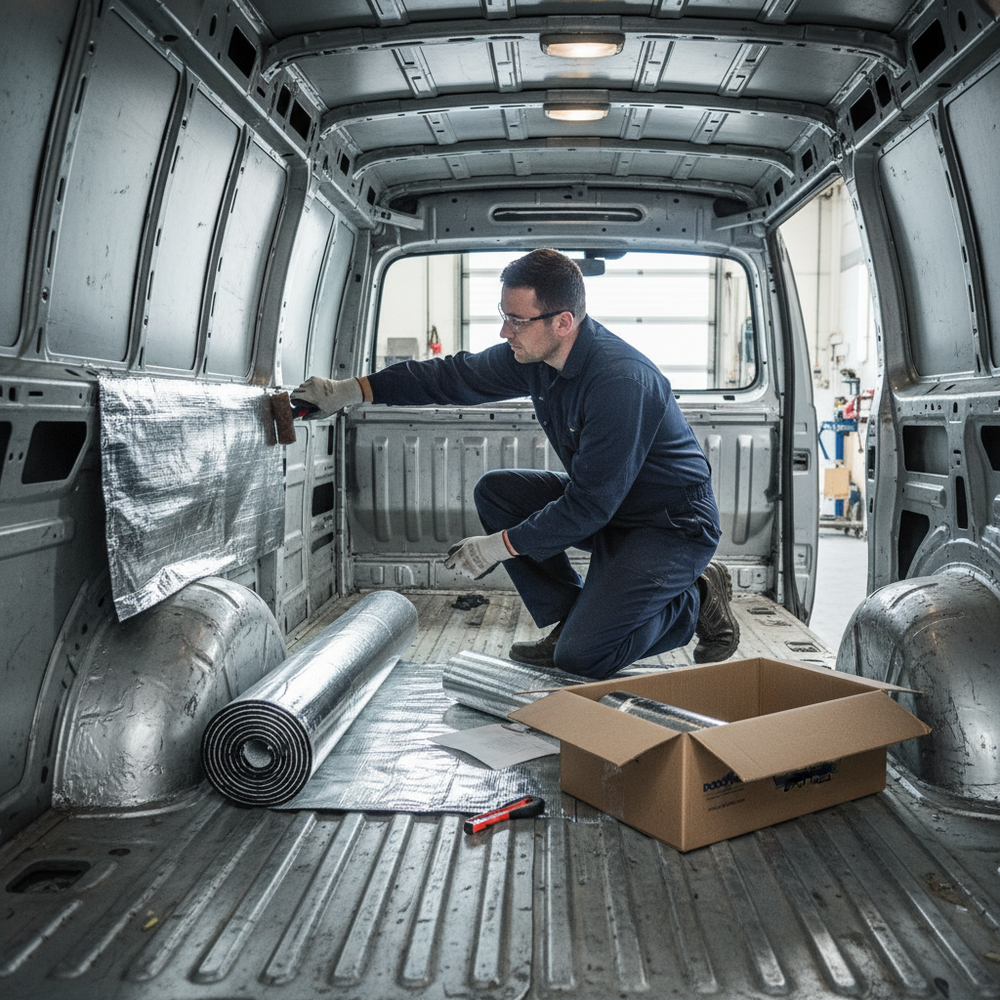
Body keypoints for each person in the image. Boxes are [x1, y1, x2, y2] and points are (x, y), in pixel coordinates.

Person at [292, 248, 739, 678]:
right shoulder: (535, 359)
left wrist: (497, 547)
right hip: (612, 508)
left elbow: (588, 507)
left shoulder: (620, 382)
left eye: (517, 320)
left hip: (670, 525)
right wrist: (352, 390)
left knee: (583, 658)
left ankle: (698, 597)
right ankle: (571, 618)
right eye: (503, 315)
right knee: (498, 492)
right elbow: (454, 376)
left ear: (563, 322)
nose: (506, 331)